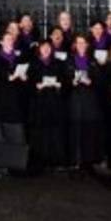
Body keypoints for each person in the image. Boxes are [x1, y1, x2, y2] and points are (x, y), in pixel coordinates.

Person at [65, 34, 105, 171]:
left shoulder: (93, 60)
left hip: (90, 99)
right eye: (79, 42)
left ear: (87, 45)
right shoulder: (69, 60)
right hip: (75, 98)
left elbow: (100, 81)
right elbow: (64, 80)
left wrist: (91, 82)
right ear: (75, 45)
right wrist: (72, 82)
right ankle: (75, 160)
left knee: (89, 129)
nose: (81, 45)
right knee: (75, 129)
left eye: (84, 43)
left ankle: (88, 161)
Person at [27, 40, 67, 170]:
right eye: (43, 47)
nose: (46, 49)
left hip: (55, 103)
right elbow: (28, 83)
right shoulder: (33, 64)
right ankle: (39, 160)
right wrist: (36, 86)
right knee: (40, 132)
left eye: (48, 47)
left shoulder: (59, 63)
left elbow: (65, 81)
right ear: (39, 49)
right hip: (39, 103)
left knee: (55, 132)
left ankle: (55, 160)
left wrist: (59, 85)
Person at [0, 30, 27, 145]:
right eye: (8, 39)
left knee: (17, 129)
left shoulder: (18, 57)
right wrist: (7, 77)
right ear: (1, 42)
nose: (11, 42)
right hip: (3, 98)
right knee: (2, 127)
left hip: (16, 98)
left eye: (12, 39)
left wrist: (24, 76)